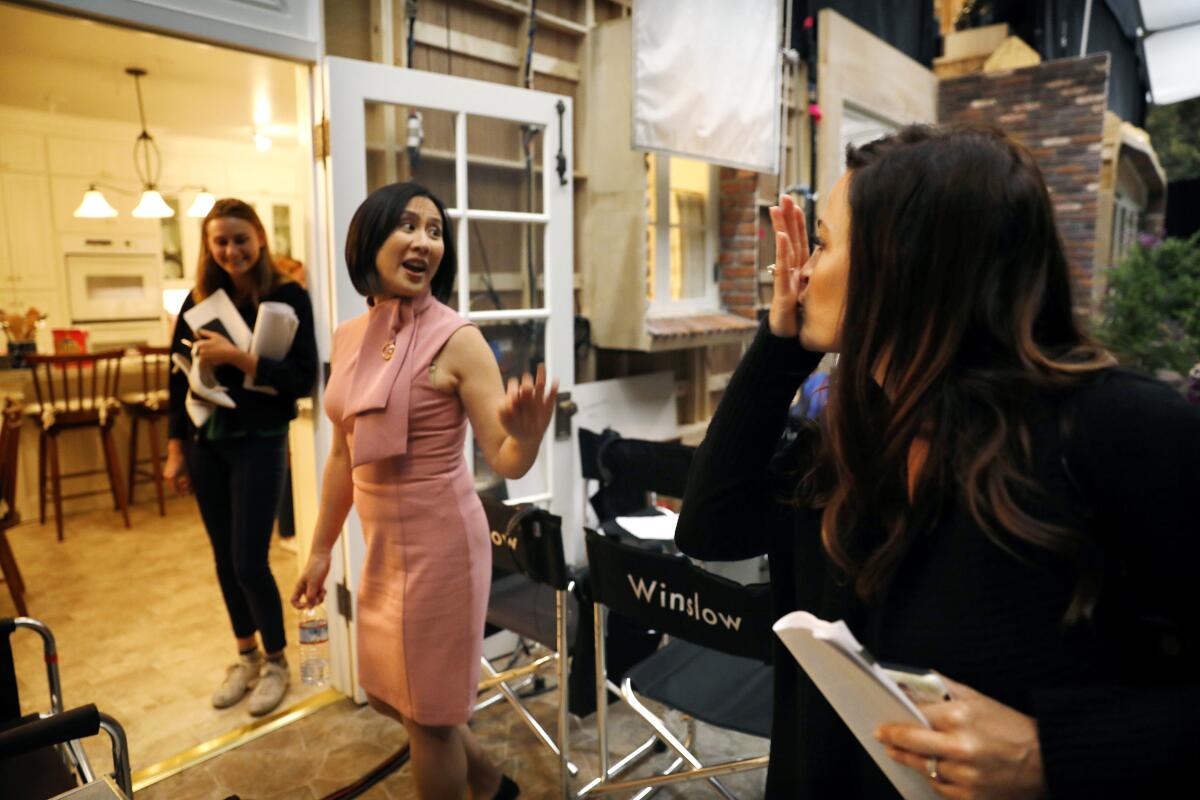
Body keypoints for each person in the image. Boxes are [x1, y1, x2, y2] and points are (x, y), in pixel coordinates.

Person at [675, 124, 1200, 799]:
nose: (798, 271)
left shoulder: (1115, 429)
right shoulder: (858, 432)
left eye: (825, 243)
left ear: (905, 266)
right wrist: (780, 348)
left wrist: (1051, 753)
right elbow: (711, 528)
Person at [291, 181, 557, 800]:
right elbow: (341, 454)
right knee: (391, 697)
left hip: (443, 550)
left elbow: (507, 459)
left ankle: (482, 786)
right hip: (382, 549)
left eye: (435, 231)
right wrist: (323, 550)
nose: (424, 241)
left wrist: (529, 437)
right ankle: (491, 785)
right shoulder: (348, 336)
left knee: (431, 718)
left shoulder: (457, 337)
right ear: (369, 240)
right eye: (408, 226)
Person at [164, 198, 318, 717]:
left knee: (250, 560)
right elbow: (174, 376)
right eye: (220, 241)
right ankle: (246, 656)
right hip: (208, 442)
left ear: (260, 238)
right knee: (223, 559)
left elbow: (303, 379)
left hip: (261, 439)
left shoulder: (288, 294)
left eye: (240, 239)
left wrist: (240, 359)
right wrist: (174, 449)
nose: (231, 250)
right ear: (208, 246)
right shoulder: (198, 297)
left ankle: (277, 663)